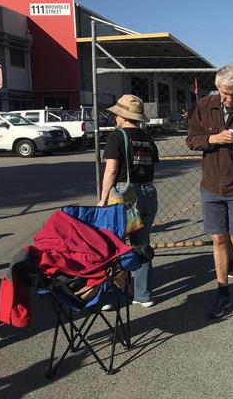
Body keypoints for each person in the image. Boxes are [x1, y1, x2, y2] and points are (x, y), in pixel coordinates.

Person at [186, 65, 233, 320]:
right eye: (223, 92)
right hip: (210, 187)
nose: (227, 98)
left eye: (232, 93)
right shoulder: (205, 105)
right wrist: (212, 140)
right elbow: (191, 139)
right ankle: (222, 291)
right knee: (218, 240)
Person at [98, 94, 159, 308]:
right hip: (148, 191)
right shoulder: (146, 137)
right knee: (141, 245)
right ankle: (143, 295)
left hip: (125, 195)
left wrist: (103, 199)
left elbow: (111, 170)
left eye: (117, 114)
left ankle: (115, 296)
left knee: (115, 245)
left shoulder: (117, 136)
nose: (115, 117)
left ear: (123, 117)